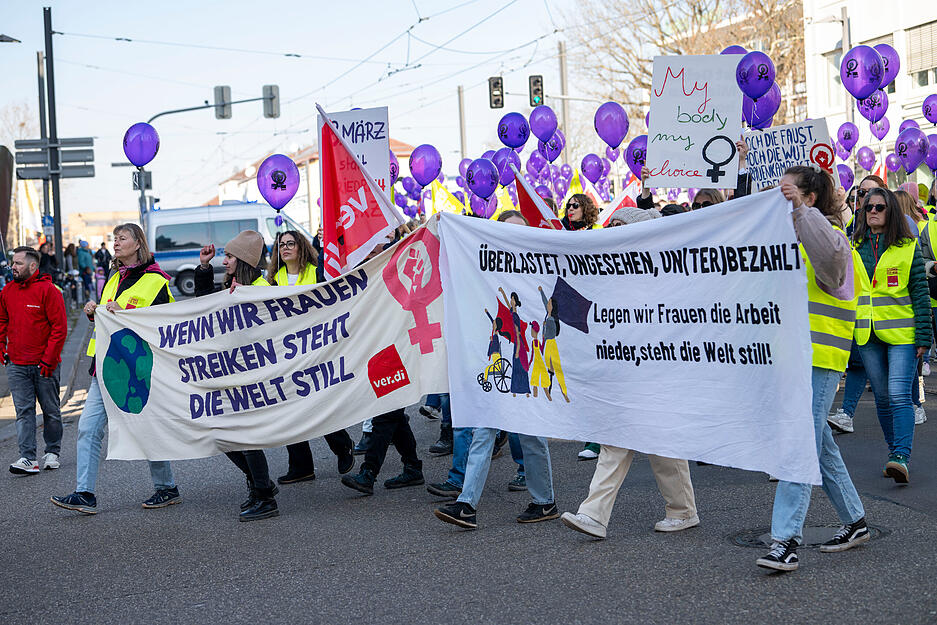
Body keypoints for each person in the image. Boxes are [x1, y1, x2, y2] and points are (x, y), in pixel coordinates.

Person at [753, 166, 870, 572]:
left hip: (820, 359)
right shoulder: (792, 241)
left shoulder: (831, 239)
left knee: (799, 442)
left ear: (810, 198)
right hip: (796, 357)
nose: (779, 196)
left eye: (787, 191)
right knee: (818, 442)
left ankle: (785, 540)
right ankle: (855, 520)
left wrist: (801, 211)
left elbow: (829, 259)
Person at [51, 224, 180, 515]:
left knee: (146, 427)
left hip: (137, 367)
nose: (116, 243)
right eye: (114, 239)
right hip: (105, 367)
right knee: (87, 428)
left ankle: (166, 487)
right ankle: (85, 493)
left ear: (138, 244)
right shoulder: (113, 277)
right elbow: (106, 319)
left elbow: (165, 323)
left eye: (122, 238)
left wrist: (127, 315)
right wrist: (92, 312)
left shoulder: (156, 280)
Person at [194, 231, 280, 521]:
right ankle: (260, 484)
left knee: (245, 436)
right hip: (231, 373)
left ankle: (264, 496)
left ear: (243, 260)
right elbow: (204, 306)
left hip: (253, 374)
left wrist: (244, 300)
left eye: (229, 256)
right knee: (223, 435)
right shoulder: (233, 286)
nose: (224, 261)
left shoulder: (261, 289)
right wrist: (204, 267)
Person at [852, 186, 932, 484]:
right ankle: (894, 453)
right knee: (883, 398)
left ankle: (900, 457)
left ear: (891, 212)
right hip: (867, 332)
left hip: (903, 334)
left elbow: (920, 293)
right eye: (868, 207)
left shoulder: (907, 246)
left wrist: (924, 336)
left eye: (879, 207)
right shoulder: (854, 246)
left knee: (899, 394)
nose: (872, 211)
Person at [266, 230, 355, 484]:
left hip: (316, 349)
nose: (285, 248)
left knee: (317, 403)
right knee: (290, 408)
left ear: (301, 247)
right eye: (281, 245)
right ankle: (301, 466)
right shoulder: (273, 280)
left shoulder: (317, 272)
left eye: (290, 243)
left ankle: (342, 445)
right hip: (286, 352)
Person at [342, 242, 425, 497]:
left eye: (374, 250)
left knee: (385, 412)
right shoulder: (362, 278)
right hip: (378, 354)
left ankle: (368, 473)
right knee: (393, 414)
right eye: (365, 250)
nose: (368, 254)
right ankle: (413, 467)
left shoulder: (397, 274)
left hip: (399, 351)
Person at [828, 175, 889, 433]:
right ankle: (847, 413)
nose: (866, 201)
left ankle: (910, 405)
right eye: (861, 195)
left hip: (891, 317)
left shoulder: (900, 227)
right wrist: (842, 204)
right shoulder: (857, 227)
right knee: (857, 362)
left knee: (897, 378)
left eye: (872, 197)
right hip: (862, 312)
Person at [1, 247, 67, 475]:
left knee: (51, 410)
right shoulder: (7, 291)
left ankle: (52, 452)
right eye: (13, 262)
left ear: (32, 266)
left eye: (18, 263)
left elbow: (59, 328)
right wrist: (1, 348)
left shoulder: (49, 291)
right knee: (24, 411)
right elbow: (1, 321)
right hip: (16, 364)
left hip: (44, 365)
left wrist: (49, 360)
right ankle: (28, 458)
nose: (13, 267)